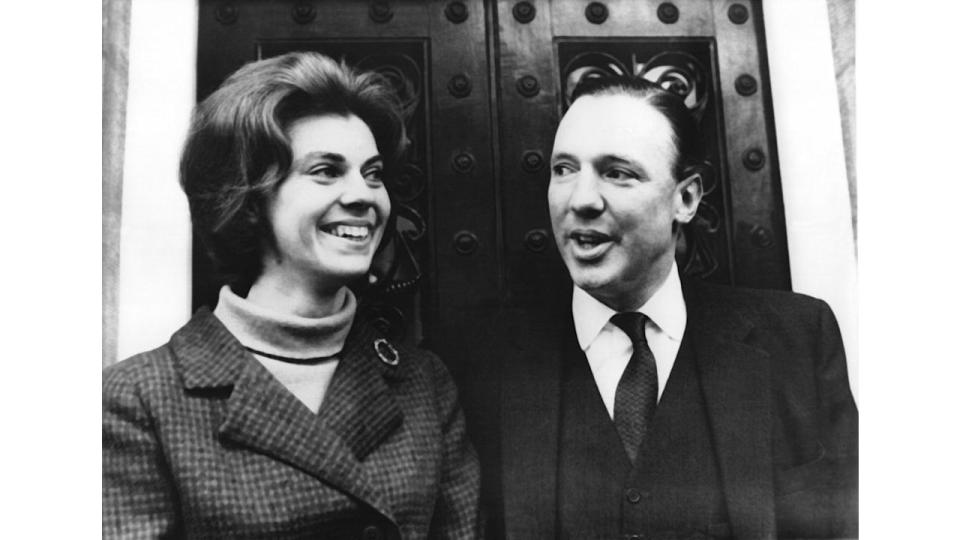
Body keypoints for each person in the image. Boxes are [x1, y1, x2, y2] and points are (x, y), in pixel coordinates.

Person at [102, 52, 481, 539]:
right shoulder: (138, 399)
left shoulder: (424, 384)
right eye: (326, 170)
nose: (364, 196)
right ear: (251, 196)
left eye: (373, 173)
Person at [468, 76, 858, 539]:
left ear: (686, 198)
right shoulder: (482, 361)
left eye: (617, 172)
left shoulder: (798, 340)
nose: (581, 199)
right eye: (564, 169)